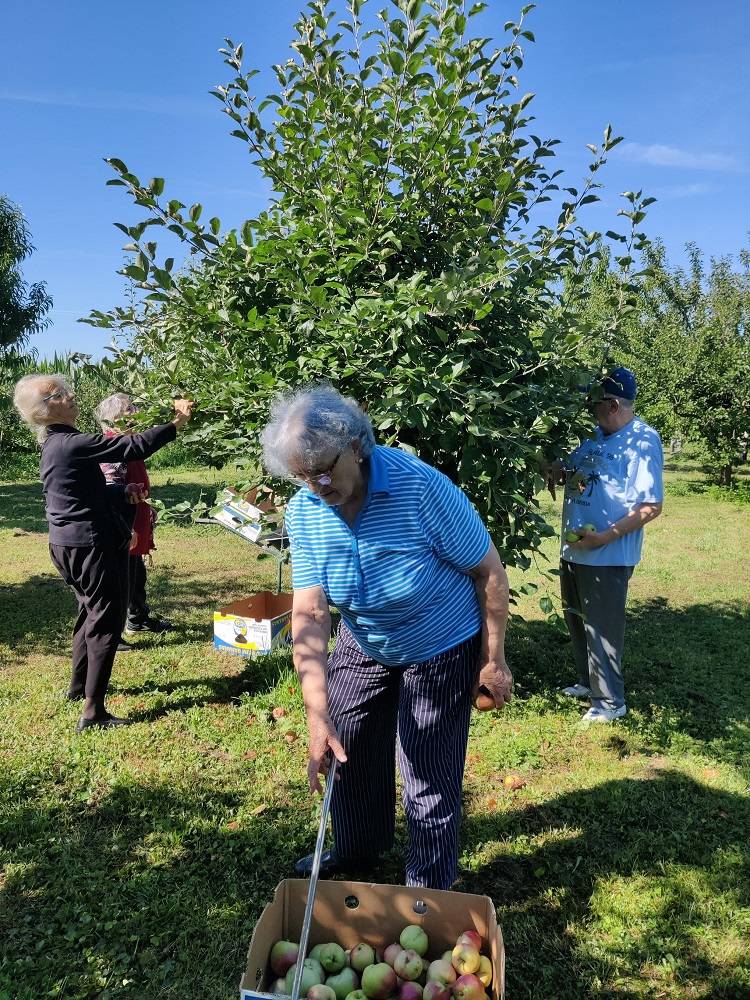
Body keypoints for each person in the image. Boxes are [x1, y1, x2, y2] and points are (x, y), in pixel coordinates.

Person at [260, 385, 513, 890]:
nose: (317, 485)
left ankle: (429, 885)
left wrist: (494, 661)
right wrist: (316, 711)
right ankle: (357, 849)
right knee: (345, 742)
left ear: (356, 444)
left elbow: (489, 572)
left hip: (439, 640)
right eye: (303, 475)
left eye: (325, 469)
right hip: (367, 637)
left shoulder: (421, 489)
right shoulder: (306, 511)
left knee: (427, 770)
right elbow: (310, 610)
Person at [12, 374, 194, 733]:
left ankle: (78, 687)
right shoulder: (71, 442)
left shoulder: (56, 444)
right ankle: (93, 711)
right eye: (62, 394)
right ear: (48, 408)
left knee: (90, 612)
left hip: (67, 543)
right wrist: (178, 421)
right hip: (88, 544)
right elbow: (132, 446)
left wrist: (118, 492)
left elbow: (74, 495)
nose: (71, 396)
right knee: (107, 620)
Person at [552, 366, 663, 723]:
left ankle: (610, 703)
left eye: (595, 402)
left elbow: (651, 506)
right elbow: (572, 474)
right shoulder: (592, 436)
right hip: (574, 549)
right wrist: (553, 469)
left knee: (603, 630)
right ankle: (588, 684)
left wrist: (604, 536)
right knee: (578, 621)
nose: (589, 408)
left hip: (606, 553)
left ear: (613, 404)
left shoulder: (643, 440)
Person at [95, 393, 173, 642]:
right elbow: (110, 493)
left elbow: (131, 485)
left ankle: (138, 619)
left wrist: (146, 508)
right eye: (129, 410)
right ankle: (111, 636)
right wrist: (123, 529)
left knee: (136, 575)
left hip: (134, 521)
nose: (135, 413)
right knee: (119, 583)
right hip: (122, 528)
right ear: (115, 418)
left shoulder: (129, 445)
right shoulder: (114, 448)